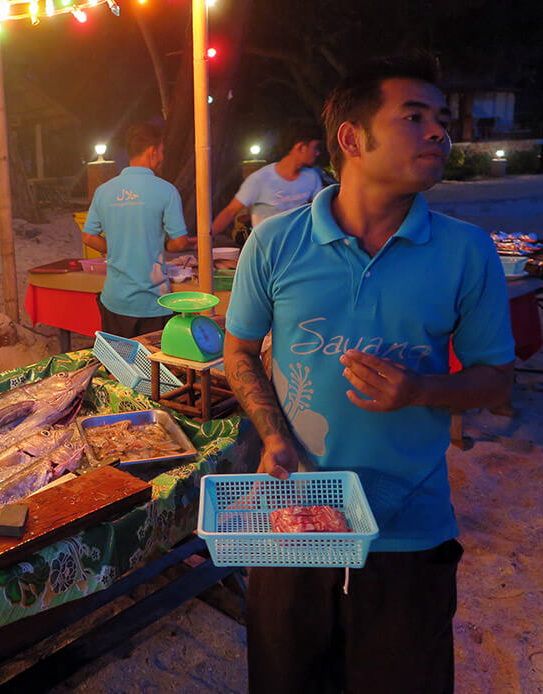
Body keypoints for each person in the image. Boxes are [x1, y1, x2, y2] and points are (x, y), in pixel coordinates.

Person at [224, 55, 514, 693]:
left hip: (409, 535)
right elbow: (239, 350)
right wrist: (273, 437)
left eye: (441, 119)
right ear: (352, 139)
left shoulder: (466, 250)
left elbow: (497, 380)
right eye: (414, 117)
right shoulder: (275, 243)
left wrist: (420, 390)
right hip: (292, 522)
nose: (440, 132)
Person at [82, 123, 190, 338]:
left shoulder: (104, 191)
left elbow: (88, 237)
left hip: (115, 300)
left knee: (120, 367)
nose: (162, 158)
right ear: (152, 151)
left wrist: (114, 249)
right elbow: (180, 243)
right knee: (155, 368)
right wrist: (160, 245)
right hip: (154, 302)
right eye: (162, 152)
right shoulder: (166, 190)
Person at [211, 120, 324, 238]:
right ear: (301, 147)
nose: (318, 153)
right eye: (315, 147)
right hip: (266, 248)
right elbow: (230, 211)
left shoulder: (312, 177)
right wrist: (205, 238)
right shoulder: (260, 179)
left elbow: (321, 210)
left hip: (297, 246)